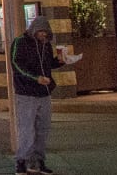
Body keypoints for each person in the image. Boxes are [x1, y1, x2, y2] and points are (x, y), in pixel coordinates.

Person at [11, 15, 73, 175]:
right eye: (41, 32)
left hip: (44, 92)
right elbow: (17, 65)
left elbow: (48, 65)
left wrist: (61, 61)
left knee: (42, 128)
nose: (43, 36)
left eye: (46, 33)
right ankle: (22, 161)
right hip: (26, 93)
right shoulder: (20, 42)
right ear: (34, 30)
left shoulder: (46, 45)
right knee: (27, 129)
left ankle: (37, 161)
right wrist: (36, 78)